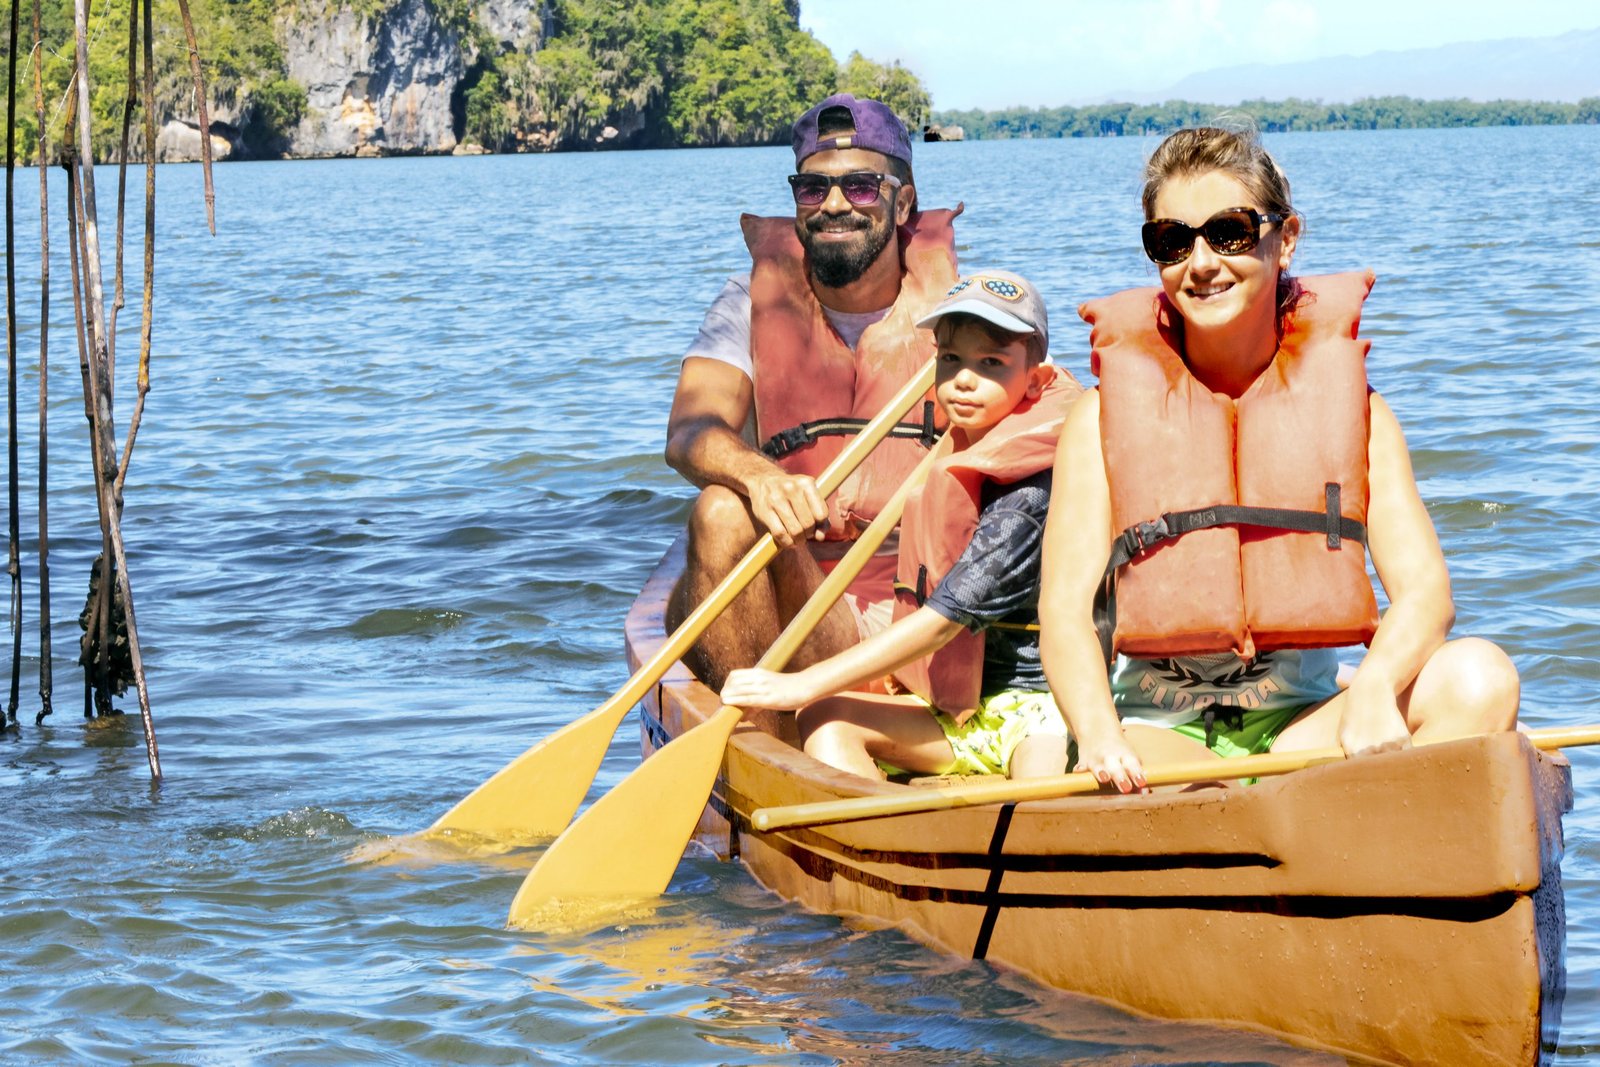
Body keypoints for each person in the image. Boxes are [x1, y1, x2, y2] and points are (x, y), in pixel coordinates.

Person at [1038, 124, 1521, 795]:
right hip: (1160, 739)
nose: (1201, 263)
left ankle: (1341, 822)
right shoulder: (1099, 420)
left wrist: (1375, 686)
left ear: (1286, 238)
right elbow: (1063, 615)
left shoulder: (1361, 413)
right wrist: (1097, 735)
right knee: (1203, 796)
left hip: (1302, 728)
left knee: (1479, 679)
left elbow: (1426, 594)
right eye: (1172, 240)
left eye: (1229, 232)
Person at [720, 271, 1081, 780]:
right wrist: (816, 696)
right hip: (961, 712)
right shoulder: (968, 446)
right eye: (950, 359)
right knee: (827, 720)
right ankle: (884, 825)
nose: (964, 379)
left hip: (1040, 710)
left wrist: (802, 683)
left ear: (1036, 380)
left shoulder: (1029, 493)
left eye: (991, 364)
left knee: (1035, 800)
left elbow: (942, 623)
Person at [664, 93, 961, 692]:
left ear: (904, 202)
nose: (833, 204)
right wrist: (760, 476)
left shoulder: (966, 312)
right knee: (720, 511)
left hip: (915, 605)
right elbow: (690, 431)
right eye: (812, 188)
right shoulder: (749, 301)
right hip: (799, 582)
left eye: (861, 187)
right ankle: (761, 738)